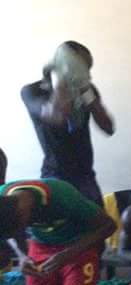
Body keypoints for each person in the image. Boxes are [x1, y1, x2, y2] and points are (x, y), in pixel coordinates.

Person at [21, 41, 115, 206]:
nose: (84, 72)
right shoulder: (33, 91)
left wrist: (86, 91)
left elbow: (108, 128)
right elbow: (57, 117)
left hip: (85, 176)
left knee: (100, 220)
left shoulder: (87, 90)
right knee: (60, 221)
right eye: (79, 66)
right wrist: (60, 82)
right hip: (55, 175)